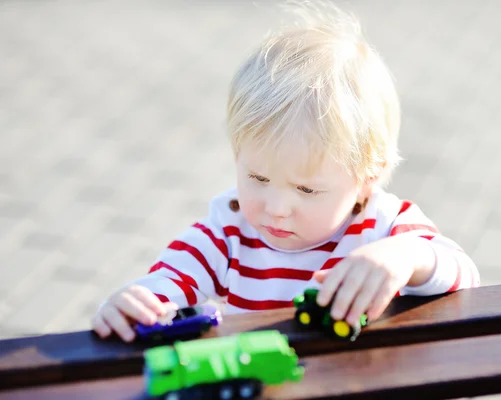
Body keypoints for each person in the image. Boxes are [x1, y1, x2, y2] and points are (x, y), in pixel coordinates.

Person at [92, 1, 480, 342]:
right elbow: (169, 281)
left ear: (367, 178)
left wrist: (407, 257)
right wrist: (135, 302)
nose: (276, 207)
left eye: (307, 190)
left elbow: (466, 278)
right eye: (258, 179)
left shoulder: (385, 226)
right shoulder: (227, 232)